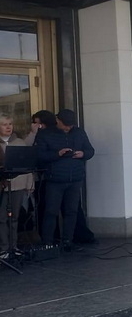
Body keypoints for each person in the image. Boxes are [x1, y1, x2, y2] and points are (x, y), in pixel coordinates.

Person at [36, 109, 94, 252]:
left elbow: (90, 150)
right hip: (55, 179)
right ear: (58, 120)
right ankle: (47, 242)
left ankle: (68, 241)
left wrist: (83, 154)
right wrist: (58, 154)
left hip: (75, 178)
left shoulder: (79, 132)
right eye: (65, 124)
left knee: (71, 211)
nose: (68, 127)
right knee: (51, 211)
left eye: (70, 125)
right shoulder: (45, 134)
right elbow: (39, 155)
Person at [0, 114, 35, 259]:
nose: (8, 127)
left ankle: (13, 246)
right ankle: (3, 248)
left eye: (10, 124)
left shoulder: (20, 142)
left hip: (18, 184)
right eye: (4, 124)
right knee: (1, 218)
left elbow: (27, 164)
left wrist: (29, 183)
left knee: (14, 217)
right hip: (2, 186)